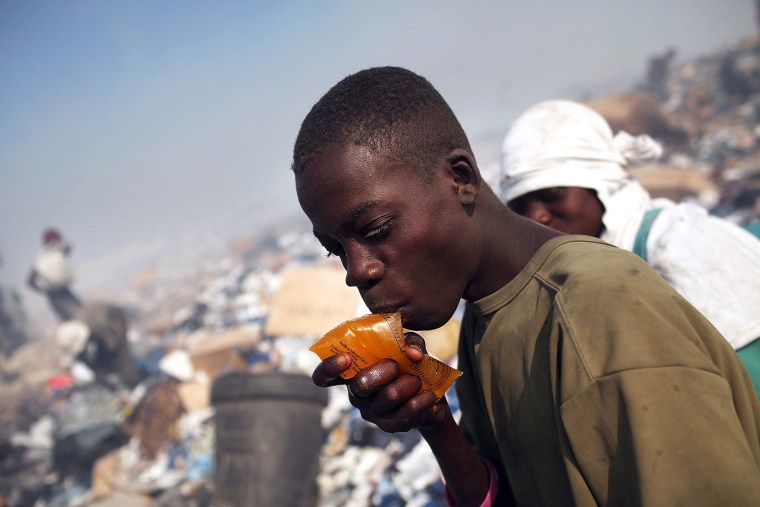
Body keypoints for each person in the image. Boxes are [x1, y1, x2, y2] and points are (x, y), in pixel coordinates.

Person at [292, 66, 760, 506]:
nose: (357, 271)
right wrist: (435, 424)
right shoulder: (488, 317)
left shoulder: (601, 311)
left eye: (375, 231)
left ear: (460, 179)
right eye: (337, 249)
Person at [496, 99, 760, 395]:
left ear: (599, 181)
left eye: (551, 194)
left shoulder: (675, 243)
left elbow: (748, 366)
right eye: (520, 206)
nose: (537, 216)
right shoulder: (570, 277)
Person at [27, 227, 82, 322]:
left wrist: (43, 290)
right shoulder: (57, 252)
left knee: (70, 319)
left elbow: (30, 282)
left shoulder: (40, 259)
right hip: (60, 292)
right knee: (81, 315)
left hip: (54, 294)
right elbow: (67, 249)